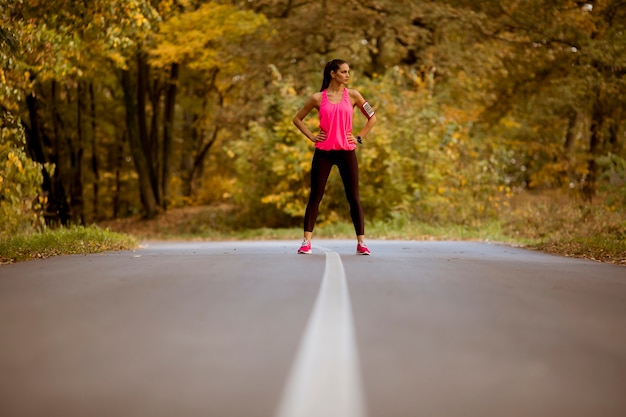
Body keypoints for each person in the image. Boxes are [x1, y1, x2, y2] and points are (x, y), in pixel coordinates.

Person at [293, 59, 377, 255]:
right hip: (323, 152)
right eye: (344, 72)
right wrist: (312, 136)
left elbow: (372, 117)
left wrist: (359, 137)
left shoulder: (354, 96)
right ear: (332, 73)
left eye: (348, 72)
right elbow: (297, 119)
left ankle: (361, 243)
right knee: (315, 196)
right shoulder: (317, 98)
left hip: (347, 151)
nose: (347, 75)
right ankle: (306, 242)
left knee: (354, 197)